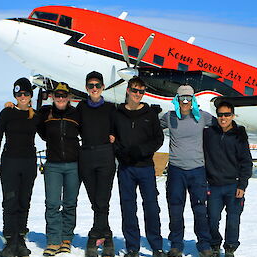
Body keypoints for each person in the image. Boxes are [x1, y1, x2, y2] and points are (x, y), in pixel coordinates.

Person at [160, 85, 215, 257]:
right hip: (176, 171)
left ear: (193, 100)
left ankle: (204, 244)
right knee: (175, 209)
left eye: (188, 99)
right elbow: (149, 127)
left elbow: (224, 125)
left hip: (197, 171)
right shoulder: (169, 117)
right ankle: (176, 244)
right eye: (182, 98)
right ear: (177, 99)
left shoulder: (203, 117)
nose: (185, 101)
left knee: (200, 209)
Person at [113, 77, 165, 257]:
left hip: (145, 168)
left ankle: (156, 246)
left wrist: (141, 150)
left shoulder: (150, 114)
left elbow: (158, 139)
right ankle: (132, 247)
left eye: (141, 92)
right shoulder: (117, 114)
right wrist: (122, 153)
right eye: (135, 90)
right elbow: (112, 138)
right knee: (128, 208)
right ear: (128, 90)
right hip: (126, 168)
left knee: (151, 206)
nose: (137, 94)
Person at [0, 78, 39, 257]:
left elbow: (49, 128)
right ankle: (10, 240)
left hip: (28, 163)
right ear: (14, 95)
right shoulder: (7, 113)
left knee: (24, 201)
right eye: (19, 94)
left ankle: (20, 238)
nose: (22, 97)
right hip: (10, 162)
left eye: (26, 94)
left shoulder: (35, 115)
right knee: (10, 202)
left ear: (30, 95)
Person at [203, 101, 252, 257]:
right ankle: (215, 245)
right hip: (214, 185)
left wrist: (242, 185)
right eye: (220, 115)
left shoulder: (239, 136)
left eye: (227, 115)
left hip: (233, 186)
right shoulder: (209, 133)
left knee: (233, 219)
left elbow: (246, 162)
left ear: (233, 115)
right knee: (212, 218)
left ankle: (230, 248)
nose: (223, 118)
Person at [37, 82, 81, 256]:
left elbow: (87, 131)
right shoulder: (45, 114)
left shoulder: (76, 114)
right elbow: (39, 129)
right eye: (58, 95)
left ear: (69, 97)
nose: (61, 98)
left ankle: (66, 239)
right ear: (53, 97)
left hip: (73, 165)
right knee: (53, 204)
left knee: (70, 204)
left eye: (64, 95)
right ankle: (54, 240)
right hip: (53, 165)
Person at [76, 71, 116, 257]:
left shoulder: (110, 108)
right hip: (86, 156)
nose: (94, 88)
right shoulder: (81, 108)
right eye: (90, 85)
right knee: (95, 199)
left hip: (105, 155)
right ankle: (105, 232)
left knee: (103, 199)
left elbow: (120, 127)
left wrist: (115, 136)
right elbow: (66, 119)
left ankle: (95, 233)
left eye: (97, 85)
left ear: (103, 87)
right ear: (86, 88)